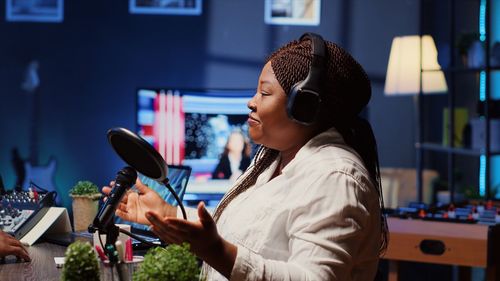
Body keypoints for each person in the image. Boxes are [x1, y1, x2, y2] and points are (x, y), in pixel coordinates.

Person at [104, 33, 387, 280]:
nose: (251, 102)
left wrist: (217, 252)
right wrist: (168, 212)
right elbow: (244, 230)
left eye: (264, 93)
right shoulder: (274, 160)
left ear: (305, 107)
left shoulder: (335, 179)